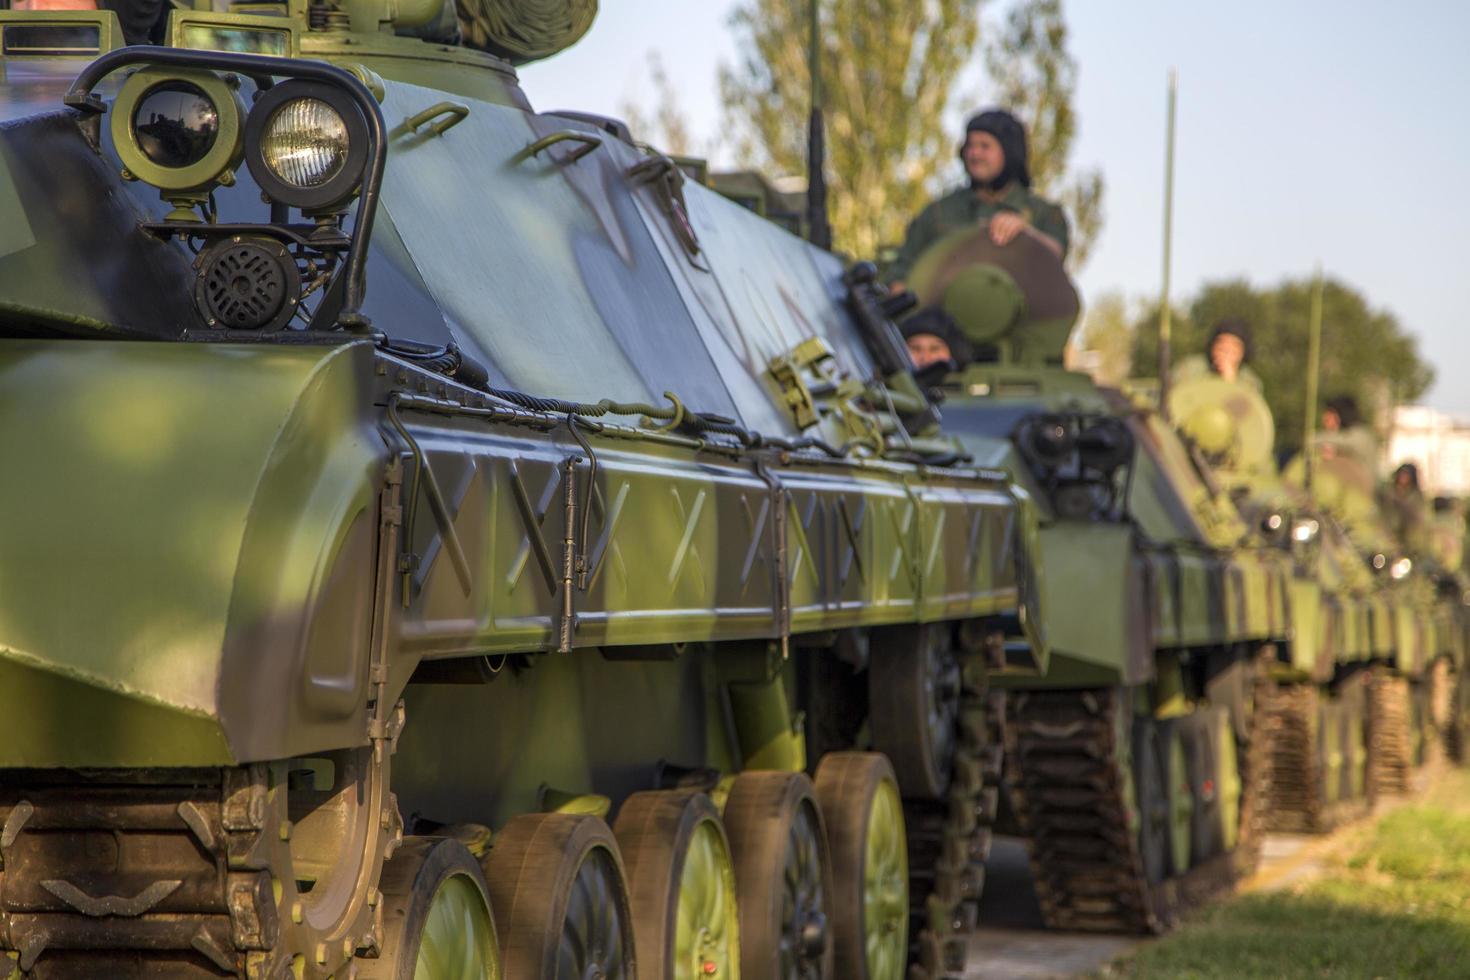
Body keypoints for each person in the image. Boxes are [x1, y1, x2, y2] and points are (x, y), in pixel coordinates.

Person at [886, 109, 1069, 289]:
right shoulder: (939, 212)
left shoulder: (1043, 213)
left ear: (1009, 151)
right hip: (942, 314)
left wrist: (1026, 234)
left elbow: (1056, 256)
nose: (974, 154)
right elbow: (902, 269)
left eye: (985, 146)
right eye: (970, 146)